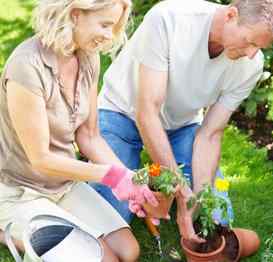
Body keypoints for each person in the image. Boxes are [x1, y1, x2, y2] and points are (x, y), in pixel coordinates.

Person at [92, 0, 273, 243]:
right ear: (231, 15)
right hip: (121, 113)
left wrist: (195, 197)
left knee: (216, 217)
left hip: (180, 125)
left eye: (259, 47)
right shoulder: (169, 19)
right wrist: (179, 189)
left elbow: (210, 134)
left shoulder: (251, 65)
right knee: (109, 219)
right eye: (249, 41)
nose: (251, 54)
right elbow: (147, 113)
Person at [0, 0, 158, 261]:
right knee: (103, 258)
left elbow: (89, 135)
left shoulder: (87, 57)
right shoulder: (26, 66)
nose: (110, 35)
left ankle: (38, 231)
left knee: (128, 252)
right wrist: (110, 176)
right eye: (105, 24)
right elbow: (41, 159)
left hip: (63, 183)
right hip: (19, 189)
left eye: (114, 26)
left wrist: (129, 180)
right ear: (75, 15)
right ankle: (7, 229)